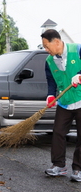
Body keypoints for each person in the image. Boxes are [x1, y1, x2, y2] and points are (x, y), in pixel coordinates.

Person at [41, 29, 81, 181]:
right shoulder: (49, 61)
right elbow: (51, 80)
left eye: (46, 45)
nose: (46, 49)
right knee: (58, 133)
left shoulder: (77, 50)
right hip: (64, 103)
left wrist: (80, 74)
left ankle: (78, 169)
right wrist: (51, 95)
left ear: (56, 42)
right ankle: (59, 166)